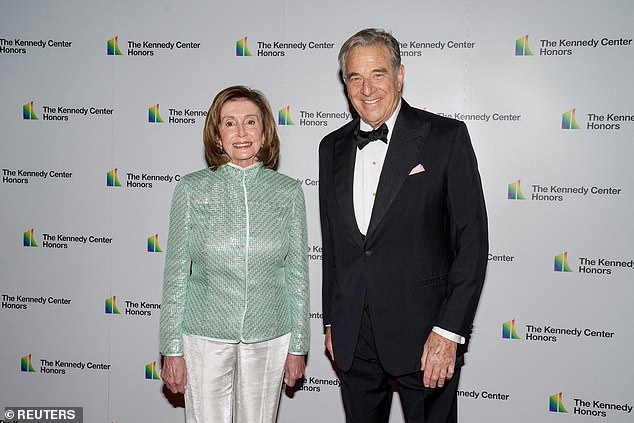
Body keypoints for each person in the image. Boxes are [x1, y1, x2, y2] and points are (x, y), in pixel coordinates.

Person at [319, 29, 488, 423]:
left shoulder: (445, 137)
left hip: (426, 336)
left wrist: (448, 331)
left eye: (378, 74)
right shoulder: (331, 147)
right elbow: (334, 245)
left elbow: (473, 243)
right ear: (345, 84)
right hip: (354, 336)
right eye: (355, 78)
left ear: (399, 76)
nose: (367, 88)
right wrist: (331, 321)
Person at [159, 85, 310, 423]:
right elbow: (176, 275)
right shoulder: (192, 189)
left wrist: (298, 344)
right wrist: (172, 348)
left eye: (250, 122)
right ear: (217, 135)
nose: (241, 132)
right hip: (203, 338)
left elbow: (297, 276)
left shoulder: (288, 192)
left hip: (270, 337)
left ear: (265, 131)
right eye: (229, 123)